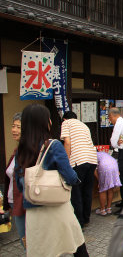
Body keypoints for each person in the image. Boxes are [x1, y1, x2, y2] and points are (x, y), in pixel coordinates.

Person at [15, 104, 88, 257]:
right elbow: (69, 175)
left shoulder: (21, 149)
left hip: (34, 212)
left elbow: (19, 183)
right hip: (57, 208)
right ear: (45, 122)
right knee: (77, 247)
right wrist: (76, 180)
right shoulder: (53, 145)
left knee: (43, 251)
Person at [61, 111, 98, 227]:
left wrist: (66, 161)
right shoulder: (84, 125)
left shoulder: (66, 123)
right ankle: (86, 219)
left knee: (76, 191)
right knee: (87, 190)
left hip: (78, 160)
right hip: (92, 159)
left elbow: (67, 142)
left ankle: (79, 222)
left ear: (64, 119)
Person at [3, 112, 26, 248]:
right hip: (15, 202)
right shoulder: (17, 151)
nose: (14, 130)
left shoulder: (28, 151)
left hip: (23, 204)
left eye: (18, 127)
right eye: (13, 126)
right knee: (25, 241)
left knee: (28, 243)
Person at [94, 151, 122, 216]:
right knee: (110, 188)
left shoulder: (92, 156)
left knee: (103, 190)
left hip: (105, 166)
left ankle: (102, 210)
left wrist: (99, 180)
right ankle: (108, 208)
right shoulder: (102, 153)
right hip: (114, 164)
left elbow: (94, 170)